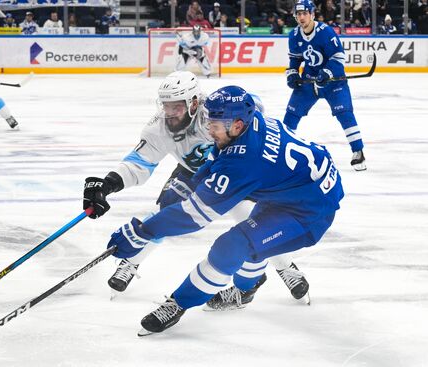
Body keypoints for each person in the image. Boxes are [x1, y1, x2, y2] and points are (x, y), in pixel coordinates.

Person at [105, 85, 344, 335]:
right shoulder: (251, 121)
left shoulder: (244, 163)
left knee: (233, 245)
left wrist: (141, 231)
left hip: (310, 210)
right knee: (252, 239)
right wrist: (196, 181)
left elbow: (194, 217)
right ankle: (248, 287)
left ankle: (179, 303)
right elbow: (220, 157)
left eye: (215, 125)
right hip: (294, 188)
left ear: (237, 125)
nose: (209, 130)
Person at [83, 71, 311, 307]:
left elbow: (253, 109)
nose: (169, 113)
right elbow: (138, 163)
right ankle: (131, 261)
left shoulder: (217, 113)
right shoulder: (158, 129)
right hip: (193, 173)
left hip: (232, 172)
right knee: (163, 214)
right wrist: (108, 183)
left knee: (254, 221)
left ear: (194, 102)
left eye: (176, 106)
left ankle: (285, 266)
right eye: (166, 106)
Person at [284, 0, 366, 171]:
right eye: (298, 14)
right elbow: (295, 59)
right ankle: (281, 151)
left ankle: (358, 151)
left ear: (312, 14)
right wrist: (292, 73)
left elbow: (338, 57)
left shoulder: (325, 32)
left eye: (304, 13)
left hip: (333, 81)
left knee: (345, 114)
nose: (301, 17)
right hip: (309, 80)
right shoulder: (294, 35)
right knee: (291, 114)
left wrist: (327, 73)